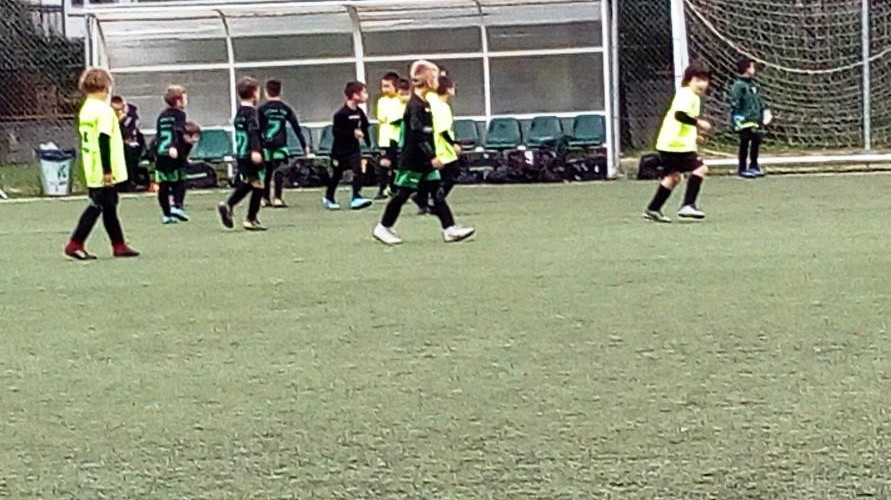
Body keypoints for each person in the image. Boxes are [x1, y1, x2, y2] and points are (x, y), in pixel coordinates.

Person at [373, 60, 475, 246]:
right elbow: (416, 135)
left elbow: (427, 134)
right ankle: (383, 227)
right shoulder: (415, 105)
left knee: (436, 192)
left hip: (424, 160)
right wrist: (432, 156)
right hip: (413, 160)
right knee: (402, 194)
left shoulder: (424, 103)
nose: (438, 80)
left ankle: (449, 229)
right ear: (427, 79)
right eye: (434, 77)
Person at [64, 67, 140, 260]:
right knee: (98, 204)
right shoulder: (104, 111)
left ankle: (119, 244)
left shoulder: (87, 108)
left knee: (110, 204)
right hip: (103, 165)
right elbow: (104, 139)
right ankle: (75, 243)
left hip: (91, 163)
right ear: (106, 86)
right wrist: (107, 170)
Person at [643, 62, 712, 223]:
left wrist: (695, 135)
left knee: (673, 177)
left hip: (668, 143)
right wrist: (699, 123)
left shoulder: (689, 95)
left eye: (705, 80)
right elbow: (680, 116)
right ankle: (688, 205)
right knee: (700, 169)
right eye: (698, 80)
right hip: (676, 145)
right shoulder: (687, 95)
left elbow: (682, 121)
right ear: (688, 80)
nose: (702, 84)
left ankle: (653, 209)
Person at [217, 77, 266, 231]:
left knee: (251, 183)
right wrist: (256, 150)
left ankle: (230, 205)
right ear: (254, 93)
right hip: (250, 153)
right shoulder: (252, 113)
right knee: (259, 185)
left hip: (241, 153)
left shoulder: (239, 113)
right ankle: (250, 218)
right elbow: (253, 132)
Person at [258, 78, 309, 208]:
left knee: (267, 171)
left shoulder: (262, 109)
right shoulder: (286, 109)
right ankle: (277, 198)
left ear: (266, 92)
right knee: (279, 169)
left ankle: (265, 198)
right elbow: (296, 128)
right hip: (280, 144)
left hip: (265, 145)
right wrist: (304, 145)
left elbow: (257, 128)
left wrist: (255, 146)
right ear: (281, 92)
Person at [414, 75, 460, 213]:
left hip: (429, 143)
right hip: (441, 145)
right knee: (453, 172)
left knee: (430, 173)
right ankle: (435, 199)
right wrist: (453, 144)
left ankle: (421, 198)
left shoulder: (431, 101)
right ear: (448, 89)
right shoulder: (442, 106)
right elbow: (442, 129)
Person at [324, 81, 373, 211]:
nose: (366, 95)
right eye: (363, 92)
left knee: (358, 170)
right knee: (337, 175)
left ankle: (356, 197)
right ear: (354, 95)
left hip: (354, 149)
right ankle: (329, 197)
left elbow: (365, 127)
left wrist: (369, 144)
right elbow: (337, 132)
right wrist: (352, 133)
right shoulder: (341, 114)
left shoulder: (359, 112)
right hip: (340, 150)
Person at [154, 85, 190, 224]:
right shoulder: (180, 115)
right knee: (180, 181)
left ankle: (166, 214)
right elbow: (178, 131)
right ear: (178, 101)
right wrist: (174, 146)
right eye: (185, 99)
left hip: (161, 153)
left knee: (164, 184)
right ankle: (177, 206)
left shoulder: (162, 116)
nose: (186, 101)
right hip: (174, 153)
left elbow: (159, 135)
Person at [731, 57, 769, 179]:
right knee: (745, 143)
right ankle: (742, 168)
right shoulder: (739, 85)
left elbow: (759, 100)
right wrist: (736, 118)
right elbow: (735, 102)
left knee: (756, 141)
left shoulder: (753, 84)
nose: (754, 69)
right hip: (744, 120)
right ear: (746, 69)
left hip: (754, 119)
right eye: (752, 67)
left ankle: (754, 165)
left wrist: (764, 110)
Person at [375, 72, 403, 200]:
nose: (384, 89)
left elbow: (403, 116)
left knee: (397, 165)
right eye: (383, 86)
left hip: (399, 138)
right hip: (386, 138)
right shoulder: (382, 101)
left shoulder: (401, 100)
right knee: (384, 163)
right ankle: (382, 189)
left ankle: (394, 188)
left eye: (387, 86)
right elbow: (383, 117)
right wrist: (395, 119)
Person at [110, 95, 147, 191]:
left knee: (130, 152)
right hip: (117, 143)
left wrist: (120, 122)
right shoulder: (109, 115)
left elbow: (131, 133)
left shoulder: (131, 115)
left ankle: (131, 181)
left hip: (133, 143)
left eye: (120, 109)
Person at [171, 121, 201, 214]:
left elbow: (184, 156)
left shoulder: (188, 144)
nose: (196, 140)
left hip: (179, 162)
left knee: (182, 182)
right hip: (169, 163)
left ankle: (179, 203)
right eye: (195, 136)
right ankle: (173, 202)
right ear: (186, 135)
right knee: (173, 182)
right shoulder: (177, 142)